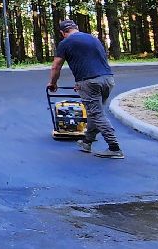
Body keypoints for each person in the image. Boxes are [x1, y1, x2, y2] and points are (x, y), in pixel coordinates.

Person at [48, 19, 123, 158]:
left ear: (63, 32)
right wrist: (82, 83)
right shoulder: (92, 38)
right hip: (107, 78)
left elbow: (56, 66)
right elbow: (93, 60)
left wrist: (52, 83)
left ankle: (114, 147)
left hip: (90, 82)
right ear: (76, 28)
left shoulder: (65, 43)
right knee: (95, 111)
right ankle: (87, 142)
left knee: (97, 114)